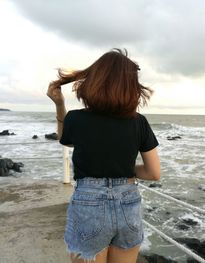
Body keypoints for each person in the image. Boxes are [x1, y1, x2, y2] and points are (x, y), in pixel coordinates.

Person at [46, 48, 161, 263]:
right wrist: (122, 168)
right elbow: (154, 173)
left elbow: (66, 139)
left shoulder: (76, 119)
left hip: (89, 203)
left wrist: (60, 104)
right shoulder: (139, 122)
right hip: (129, 203)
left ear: (95, 81)